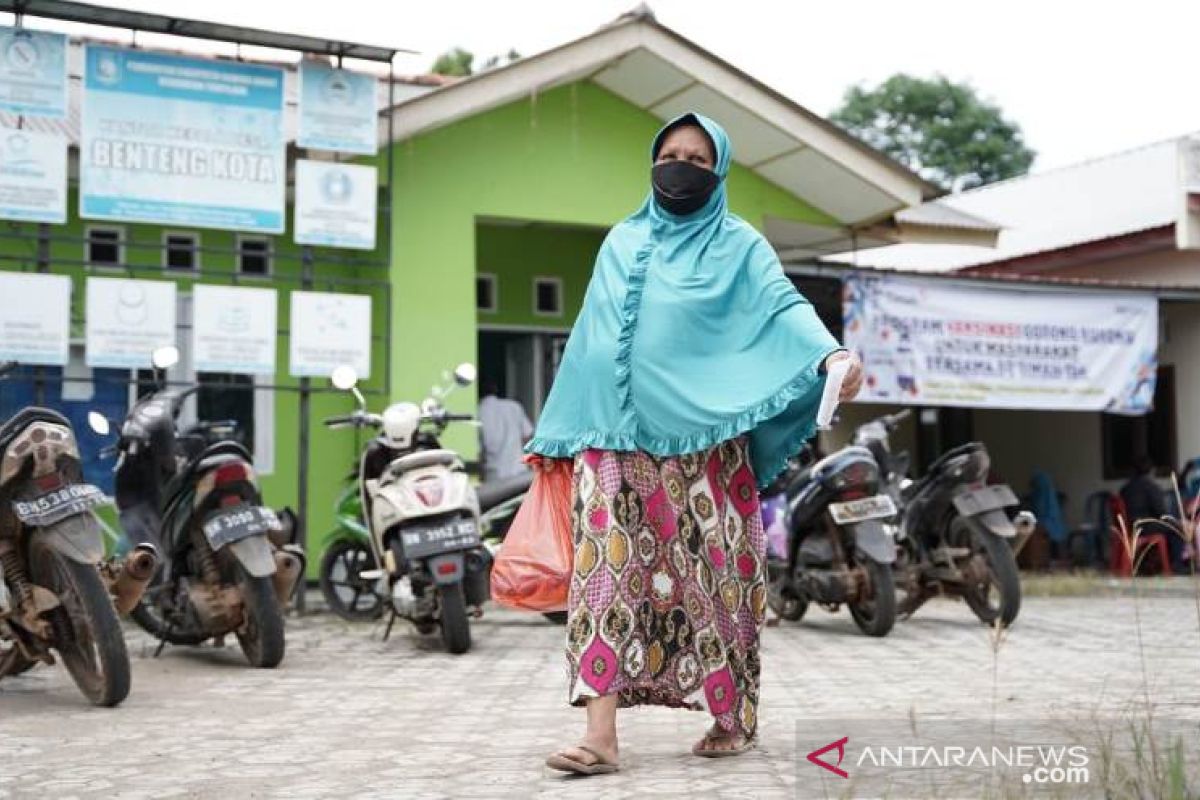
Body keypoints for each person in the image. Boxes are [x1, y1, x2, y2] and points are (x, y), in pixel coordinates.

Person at [529, 112, 863, 775]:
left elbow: (781, 305)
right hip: (615, 439)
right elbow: (592, 338)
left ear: (720, 173)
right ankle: (600, 736)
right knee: (604, 576)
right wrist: (559, 429)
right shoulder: (621, 240)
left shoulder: (740, 245)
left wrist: (830, 356)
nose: (680, 165)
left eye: (698, 157)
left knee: (720, 578)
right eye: (670, 153)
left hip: (708, 442)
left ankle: (731, 718)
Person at [1120, 455, 1184, 573]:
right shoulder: (1151, 487)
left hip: (1130, 525)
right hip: (1145, 526)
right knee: (1177, 528)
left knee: (1171, 527)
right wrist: (1178, 522)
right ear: (1151, 470)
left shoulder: (1126, 488)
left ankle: (1151, 563)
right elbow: (1162, 514)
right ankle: (1177, 565)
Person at [478, 381, 534, 483]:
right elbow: (528, 438)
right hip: (519, 471)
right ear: (496, 390)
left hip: (494, 475)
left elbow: (480, 452)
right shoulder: (514, 406)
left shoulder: (479, 411)